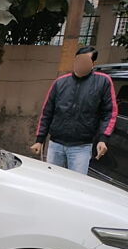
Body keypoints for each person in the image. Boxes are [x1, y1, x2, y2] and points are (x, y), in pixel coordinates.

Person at [30, 46, 118, 174]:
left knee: (77, 186)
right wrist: (39, 140)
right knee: (52, 182)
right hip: (56, 145)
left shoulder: (103, 82)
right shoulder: (60, 83)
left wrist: (103, 139)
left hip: (81, 147)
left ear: (93, 63)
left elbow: (109, 113)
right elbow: (47, 112)